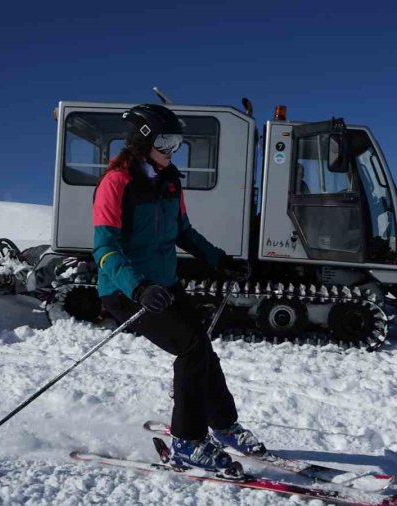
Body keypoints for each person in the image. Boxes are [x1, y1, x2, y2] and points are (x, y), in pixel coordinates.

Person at [92, 104, 263, 471]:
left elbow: (183, 232)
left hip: (165, 285)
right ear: (142, 141)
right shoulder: (116, 183)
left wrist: (220, 260)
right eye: (165, 141)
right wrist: (138, 289)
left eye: (177, 142)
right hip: (127, 290)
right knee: (189, 349)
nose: (172, 150)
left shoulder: (170, 180)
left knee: (201, 347)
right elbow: (104, 247)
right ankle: (187, 441)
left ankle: (224, 425)